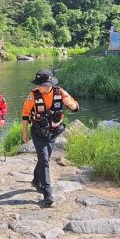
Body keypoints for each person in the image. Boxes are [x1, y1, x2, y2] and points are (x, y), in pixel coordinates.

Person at [21, 69, 79, 207]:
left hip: (53, 133)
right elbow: (25, 114)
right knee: (45, 161)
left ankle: (36, 180)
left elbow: (74, 105)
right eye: (39, 84)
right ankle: (48, 194)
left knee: (44, 159)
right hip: (38, 133)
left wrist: (73, 105)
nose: (41, 87)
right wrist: (24, 133)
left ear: (50, 83)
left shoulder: (60, 92)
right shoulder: (33, 95)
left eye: (44, 84)